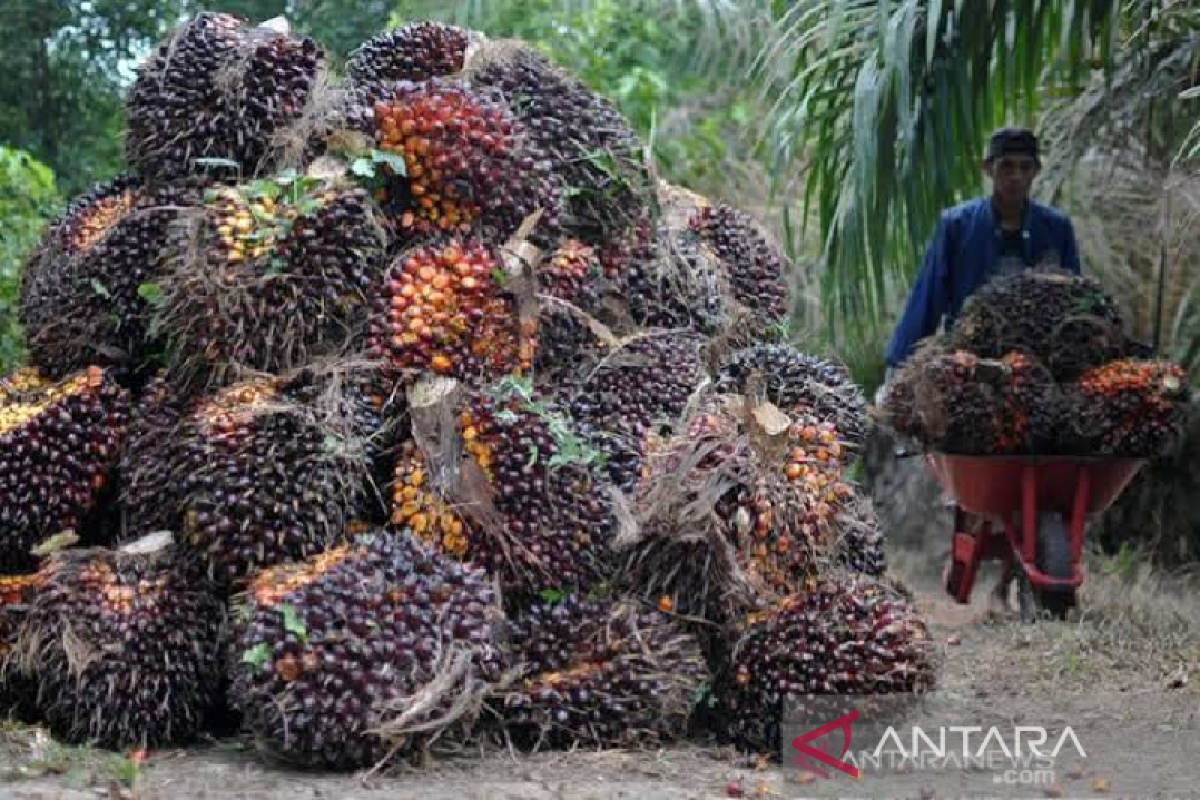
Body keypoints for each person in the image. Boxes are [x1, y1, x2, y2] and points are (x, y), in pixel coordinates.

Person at [879, 127, 1082, 614]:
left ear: (1036, 172)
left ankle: (1014, 572)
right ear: (988, 169)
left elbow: (1079, 304)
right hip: (970, 367)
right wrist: (895, 371)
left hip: (1038, 371)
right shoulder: (958, 227)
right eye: (1005, 167)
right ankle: (980, 551)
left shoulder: (1057, 230)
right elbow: (927, 297)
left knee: (1049, 449)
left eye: (1024, 167)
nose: (1015, 177)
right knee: (979, 456)